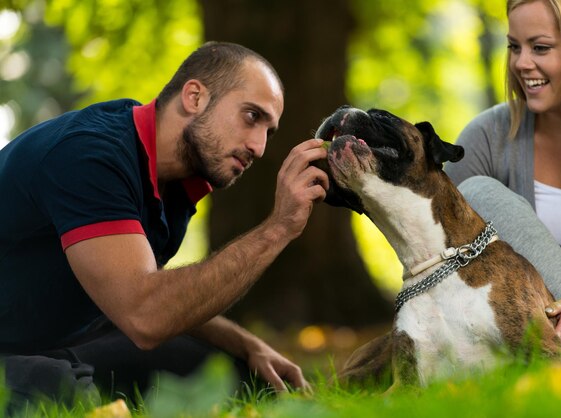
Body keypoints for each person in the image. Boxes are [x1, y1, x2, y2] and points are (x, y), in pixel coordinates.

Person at [0, 41, 330, 406]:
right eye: (252, 117)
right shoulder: (91, 155)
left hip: (45, 343)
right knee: (60, 389)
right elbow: (145, 315)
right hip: (26, 351)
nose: (259, 146)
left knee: (236, 372)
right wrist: (278, 228)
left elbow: (161, 298)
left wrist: (249, 346)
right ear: (195, 97)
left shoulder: (173, 183)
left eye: (269, 131)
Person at [445, 0, 561, 356]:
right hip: (531, 335)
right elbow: (440, 257)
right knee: (477, 192)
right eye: (514, 46)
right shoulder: (486, 138)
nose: (521, 63)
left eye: (540, 47)